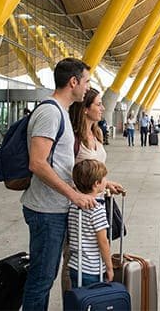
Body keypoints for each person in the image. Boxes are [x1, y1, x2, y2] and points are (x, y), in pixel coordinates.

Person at [21, 58, 94, 311]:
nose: (87, 87)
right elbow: (38, 163)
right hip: (45, 211)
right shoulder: (50, 112)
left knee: (45, 276)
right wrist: (73, 196)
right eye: (86, 81)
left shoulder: (60, 111)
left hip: (55, 207)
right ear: (73, 81)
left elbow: (60, 163)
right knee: (41, 279)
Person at [62, 87, 125, 293]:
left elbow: (94, 172)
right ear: (85, 109)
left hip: (98, 202)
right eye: (98, 103)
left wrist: (107, 183)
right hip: (80, 207)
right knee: (75, 255)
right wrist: (78, 195)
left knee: (97, 249)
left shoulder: (96, 133)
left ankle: (91, 297)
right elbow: (68, 174)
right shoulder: (73, 139)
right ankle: (73, 300)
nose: (103, 107)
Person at [67, 159, 114, 286]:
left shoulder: (73, 204)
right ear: (96, 184)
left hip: (75, 265)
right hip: (92, 268)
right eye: (104, 179)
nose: (106, 181)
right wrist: (109, 267)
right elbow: (102, 241)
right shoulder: (97, 209)